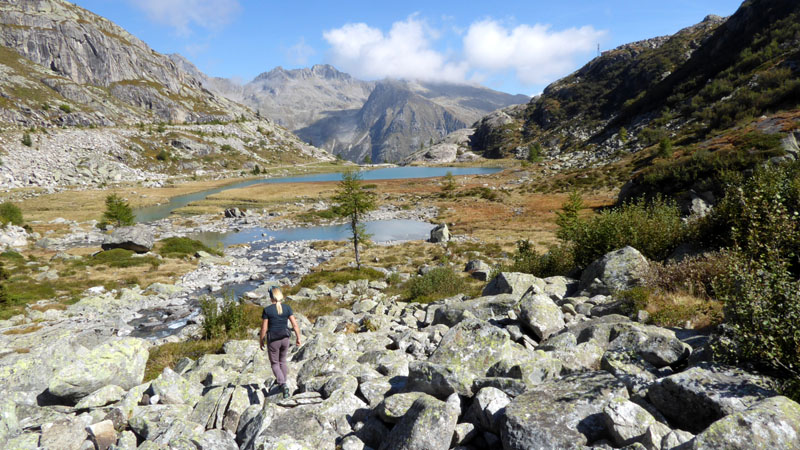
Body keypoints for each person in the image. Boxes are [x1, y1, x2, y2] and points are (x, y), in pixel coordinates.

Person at [259, 286, 301, 399]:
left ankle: (282, 384)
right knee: (282, 361)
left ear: (271, 297)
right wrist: (298, 338)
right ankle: (284, 383)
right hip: (285, 338)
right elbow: (295, 325)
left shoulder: (267, 310)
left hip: (273, 340)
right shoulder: (287, 308)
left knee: (274, 363)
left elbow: (264, 329)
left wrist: (261, 340)